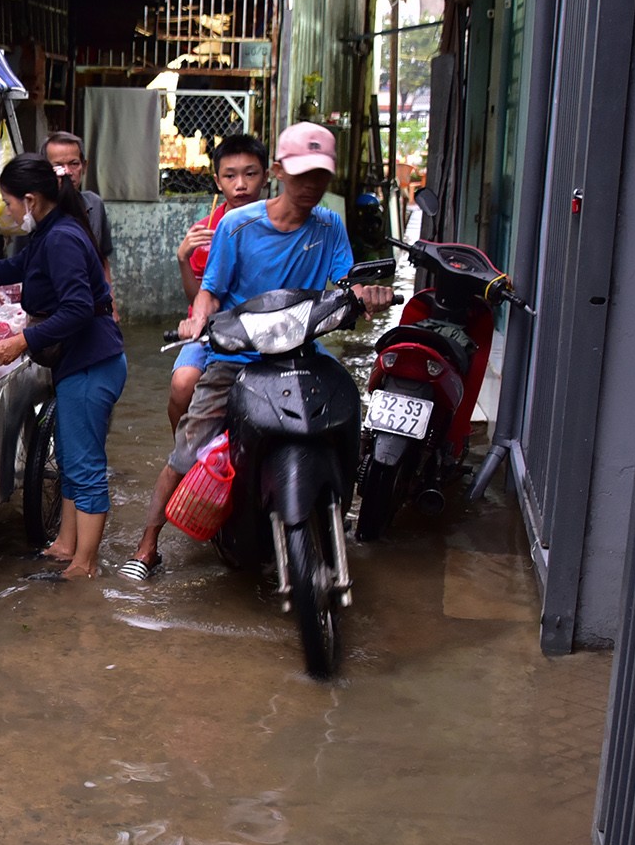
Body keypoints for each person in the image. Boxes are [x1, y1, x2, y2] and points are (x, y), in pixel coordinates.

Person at [120, 122, 392, 582]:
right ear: (281, 172)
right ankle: (148, 543)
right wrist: (198, 319)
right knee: (189, 447)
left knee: (346, 412)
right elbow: (210, 291)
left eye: (320, 175)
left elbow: (348, 283)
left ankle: (340, 500)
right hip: (238, 354)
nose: (311, 185)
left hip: (301, 350)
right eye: (302, 174)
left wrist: (368, 294)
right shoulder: (236, 225)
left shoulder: (329, 225)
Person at [0, 153, 126, 580]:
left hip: (92, 363)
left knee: (85, 465)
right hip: (79, 362)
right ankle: (67, 545)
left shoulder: (62, 238)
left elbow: (77, 308)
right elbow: (15, 267)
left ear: (31, 200)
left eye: (11, 203)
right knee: (70, 457)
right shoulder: (49, 232)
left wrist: (22, 341)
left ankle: (86, 565)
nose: (10, 212)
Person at [169, 134, 269, 429]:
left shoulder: (279, 227)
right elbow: (197, 299)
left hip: (267, 329)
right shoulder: (204, 232)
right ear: (217, 181)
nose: (241, 184)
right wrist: (183, 259)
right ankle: (184, 451)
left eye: (250, 174)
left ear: (265, 177)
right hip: (212, 331)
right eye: (230, 176)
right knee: (182, 384)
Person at [43, 132, 117, 313]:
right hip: (52, 311)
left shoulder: (94, 205)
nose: (67, 172)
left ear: (84, 166)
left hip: (93, 308)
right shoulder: (36, 211)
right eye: (58, 166)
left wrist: (112, 306)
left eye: (74, 164)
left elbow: (102, 259)